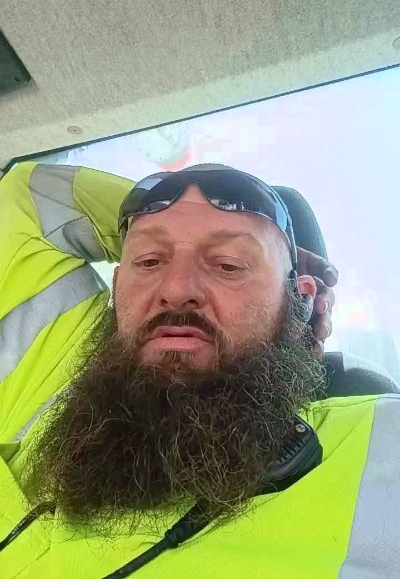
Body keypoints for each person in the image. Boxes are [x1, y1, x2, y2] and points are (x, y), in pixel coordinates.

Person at [0, 161, 397, 579]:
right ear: (118, 288)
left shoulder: (382, 447)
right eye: (149, 261)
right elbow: (24, 196)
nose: (175, 289)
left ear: (298, 302)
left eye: (228, 264)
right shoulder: (57, 357)